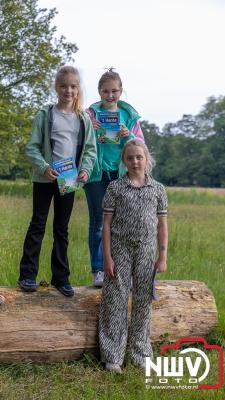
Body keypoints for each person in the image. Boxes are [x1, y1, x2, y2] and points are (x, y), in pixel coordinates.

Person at [18, 66, 97, 297]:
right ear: (56, 87)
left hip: (69, 179)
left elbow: (90, 150)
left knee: (61, 229)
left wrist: (85, 169)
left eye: (73, 86)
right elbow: (32, 148)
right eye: (64, 86)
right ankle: (27, 275)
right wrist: (44, 167)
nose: (68, 90)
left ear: (78, 89)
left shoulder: (83, 119)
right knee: (38, 224)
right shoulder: (45, 115)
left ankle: (61, 279)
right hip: (45, 178)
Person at [99, 139, 168, 373]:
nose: (135, 161)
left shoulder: (157, 189)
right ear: (124, 161)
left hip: (147, 250)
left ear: (146, 158)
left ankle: (140, 353)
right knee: (115, 299)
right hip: (120, 248)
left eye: (139, 157)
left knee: (142, 300)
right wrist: (107, 257)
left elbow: (162, 225)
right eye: (130, 158)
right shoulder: (115, 188)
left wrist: (162, 256)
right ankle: (112, 356)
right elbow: (106, 225)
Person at [84, 68, 144, 287]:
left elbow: (141, 147)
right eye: (106, 91)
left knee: (121, 223)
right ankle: (98, 270)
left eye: (115, 91)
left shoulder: (129, 116)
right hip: (96, 175)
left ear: (121, 91)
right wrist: (89, 129)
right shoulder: (89, 114)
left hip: (120, 175)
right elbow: (77, 139)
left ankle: (120, 270)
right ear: (99, 92)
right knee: (99, 222)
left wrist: (127, 134)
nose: (110, 95)